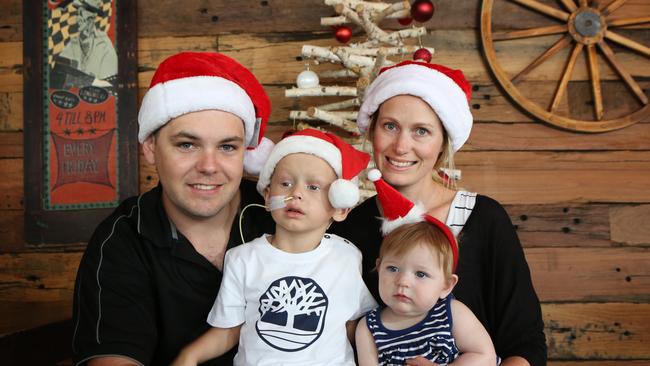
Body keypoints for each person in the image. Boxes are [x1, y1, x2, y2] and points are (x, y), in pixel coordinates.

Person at [329, 60, 547, 365]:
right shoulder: (347, 230)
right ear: (372, 131)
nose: (401, 146)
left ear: (443, 143)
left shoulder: (484, 219)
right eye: (390, 126)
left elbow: (526, 345)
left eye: (421, 131)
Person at [72, 51, 277, 365]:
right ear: (150, 148)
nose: (209, 166)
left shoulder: (280, 215)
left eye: (227, 147)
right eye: (187, 144)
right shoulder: (123, 240)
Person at [172, 128, 378, 366]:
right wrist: (190, 356)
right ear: (268, 196)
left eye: (313, 187)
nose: (296, 194)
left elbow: (353, 326)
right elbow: (229, 331)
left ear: (340, 207)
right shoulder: (243, 260)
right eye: (286, 183)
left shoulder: (347, 257)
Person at [355, 169, 496, 365]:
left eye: (420, 273)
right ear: (379, 268)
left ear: (446, 286)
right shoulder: (369, 329)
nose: (403, 281)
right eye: (393, 269)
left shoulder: (451, 313)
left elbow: (484, 356)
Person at [59, 0, 118, 81]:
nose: (78, 17)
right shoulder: (72, 43)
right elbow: (60, 72)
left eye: (82, 11)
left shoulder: (104, 45)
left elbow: (109, 81)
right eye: (78, 12)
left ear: (93, 17)